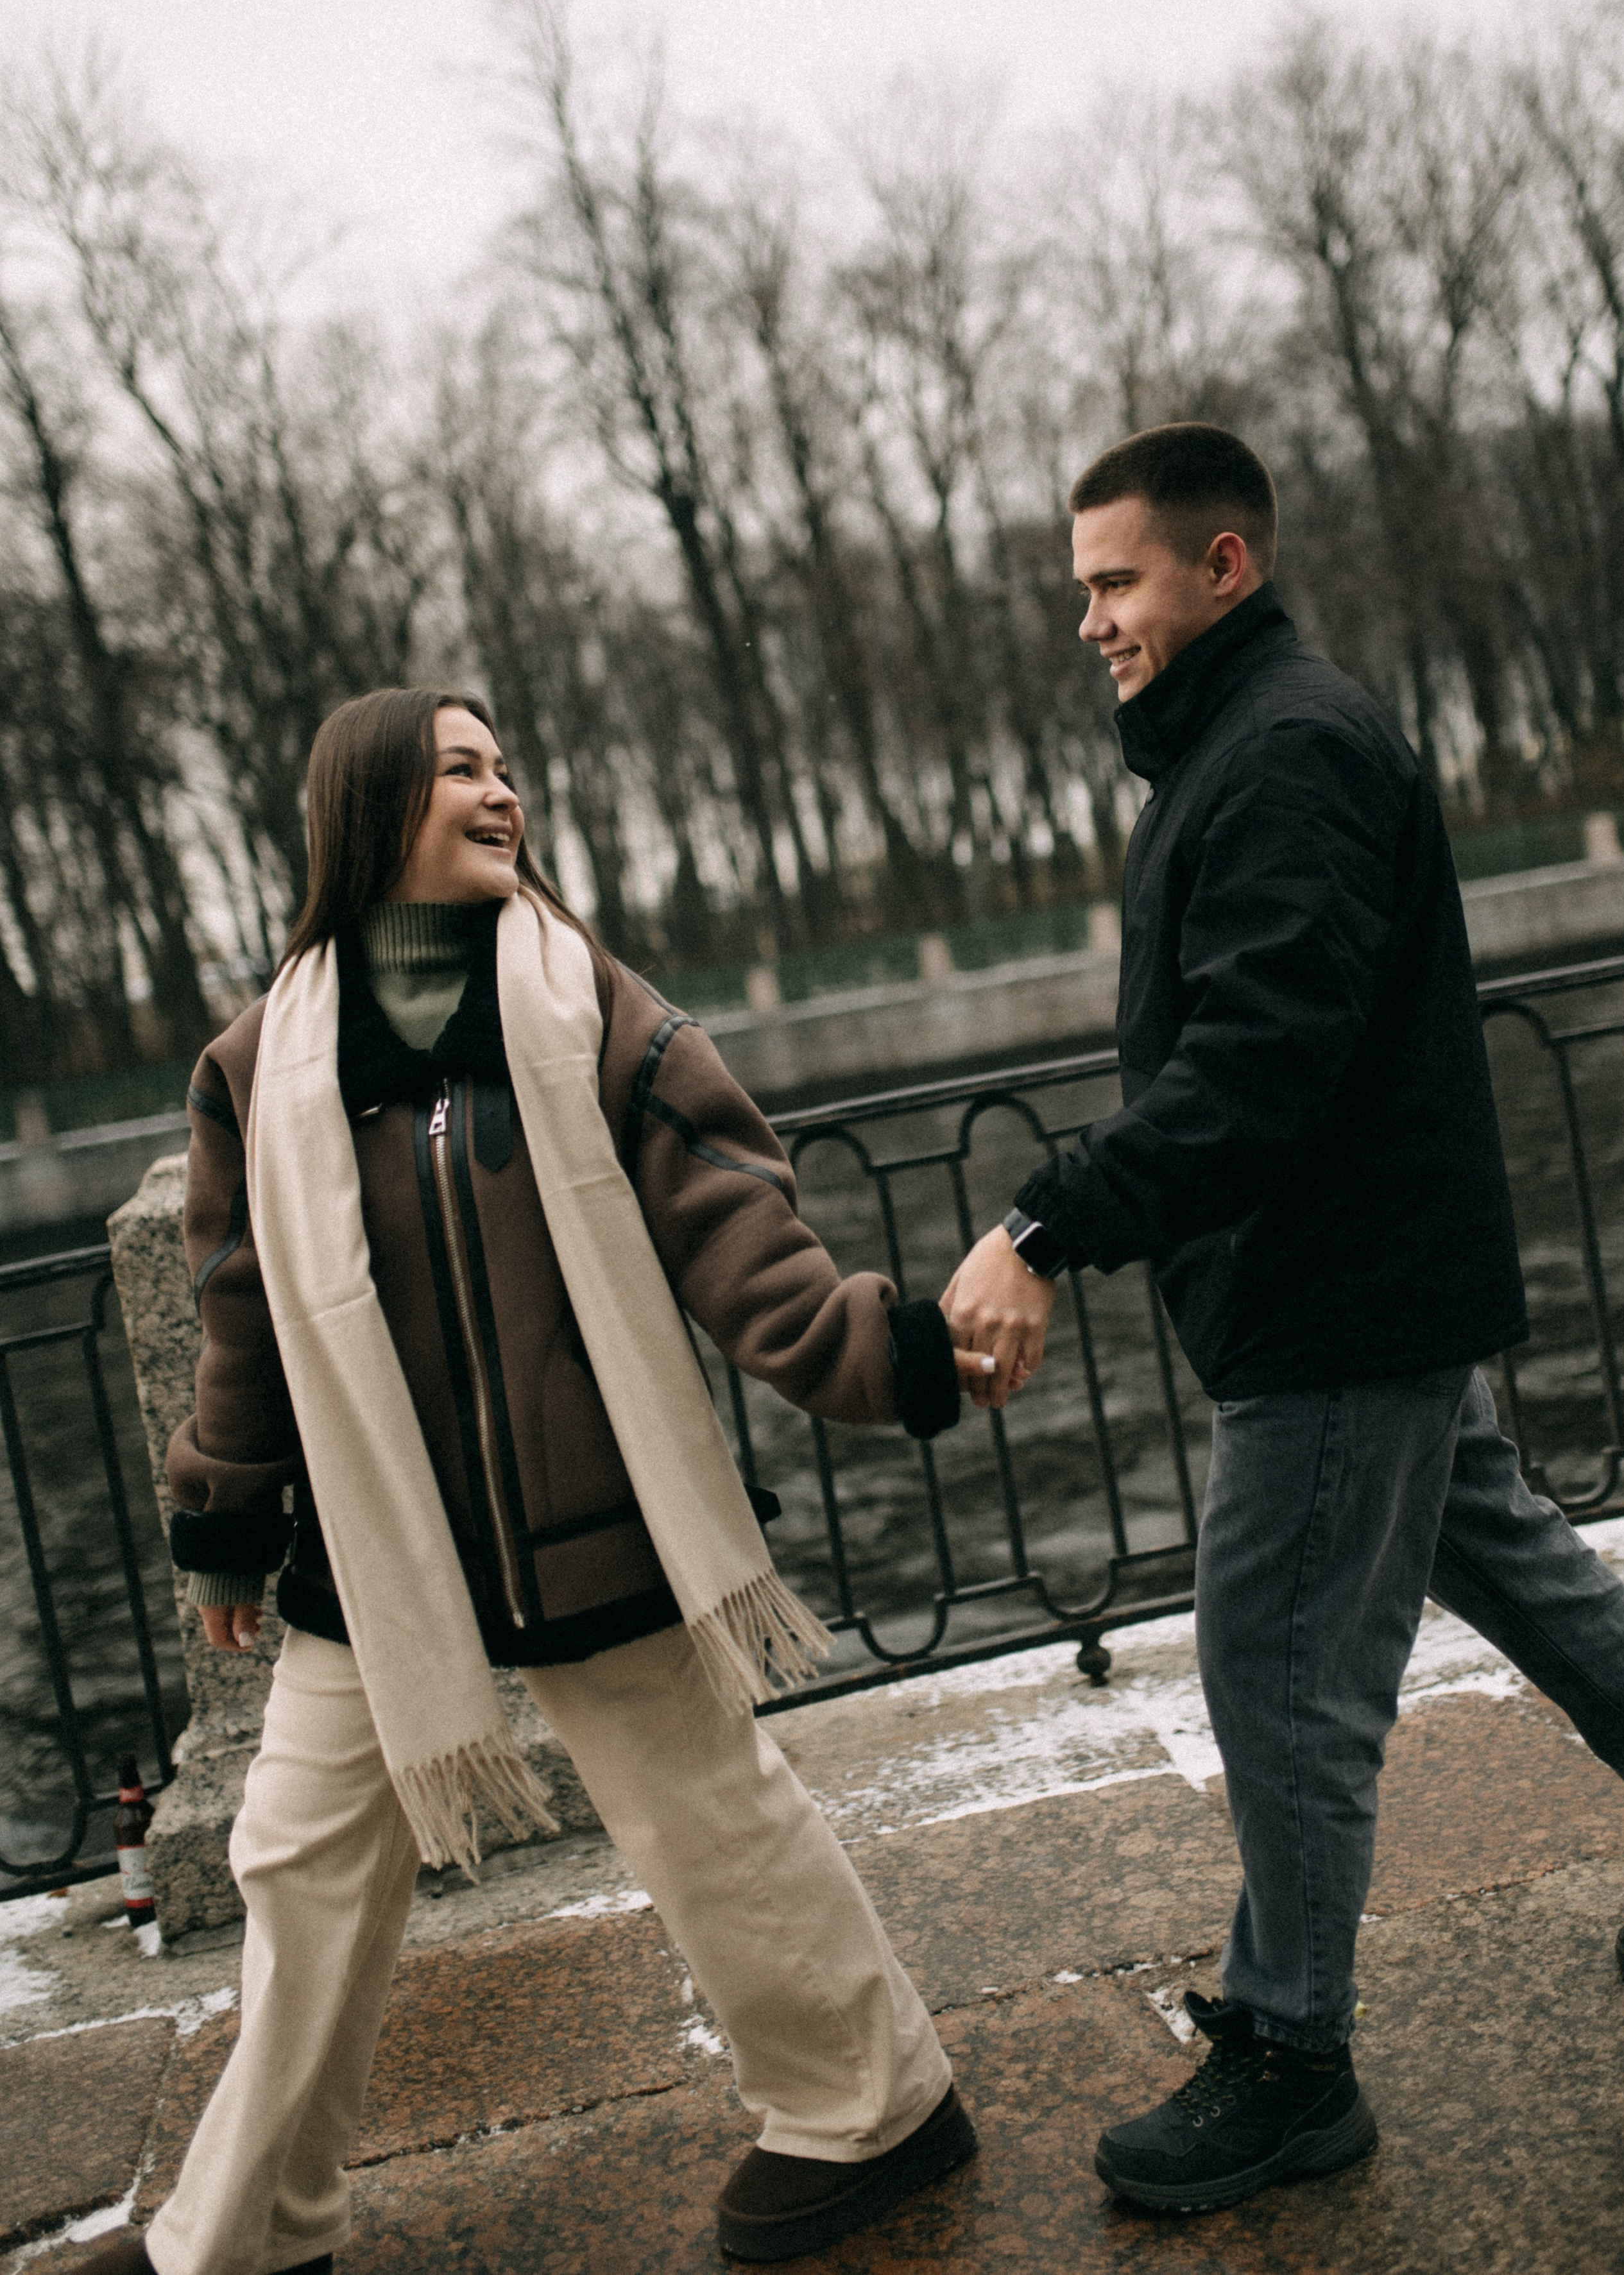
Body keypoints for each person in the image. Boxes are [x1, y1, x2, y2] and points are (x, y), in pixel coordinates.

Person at [86, 687, 983, 2275]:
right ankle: (246, 2230)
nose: (502, 793)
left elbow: (735, 1226)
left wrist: (885, 1354)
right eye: (460, 771)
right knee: (292, 1861)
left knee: (711, 1821)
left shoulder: (592, 1003)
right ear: (369, 807)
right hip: (369, 1557)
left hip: (588, 1522)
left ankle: (873, 2107)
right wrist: (223, 1524)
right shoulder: (257, 1062)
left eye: (506, 768)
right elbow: (240, 1309)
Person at [941, 423, 1624, 2215]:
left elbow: (1260, 1065)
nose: (1088, 618)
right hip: (1366, 1279)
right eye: (1080, 585)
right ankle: (1284, 2029)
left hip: (1338, 1300)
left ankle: (1291, 2055)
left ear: (1222, 566)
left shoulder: (1286, 751)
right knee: (1522, 1570)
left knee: (1282, 1672)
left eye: (1116, 579)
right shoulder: (1250, 741)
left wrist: (1045, 1217)